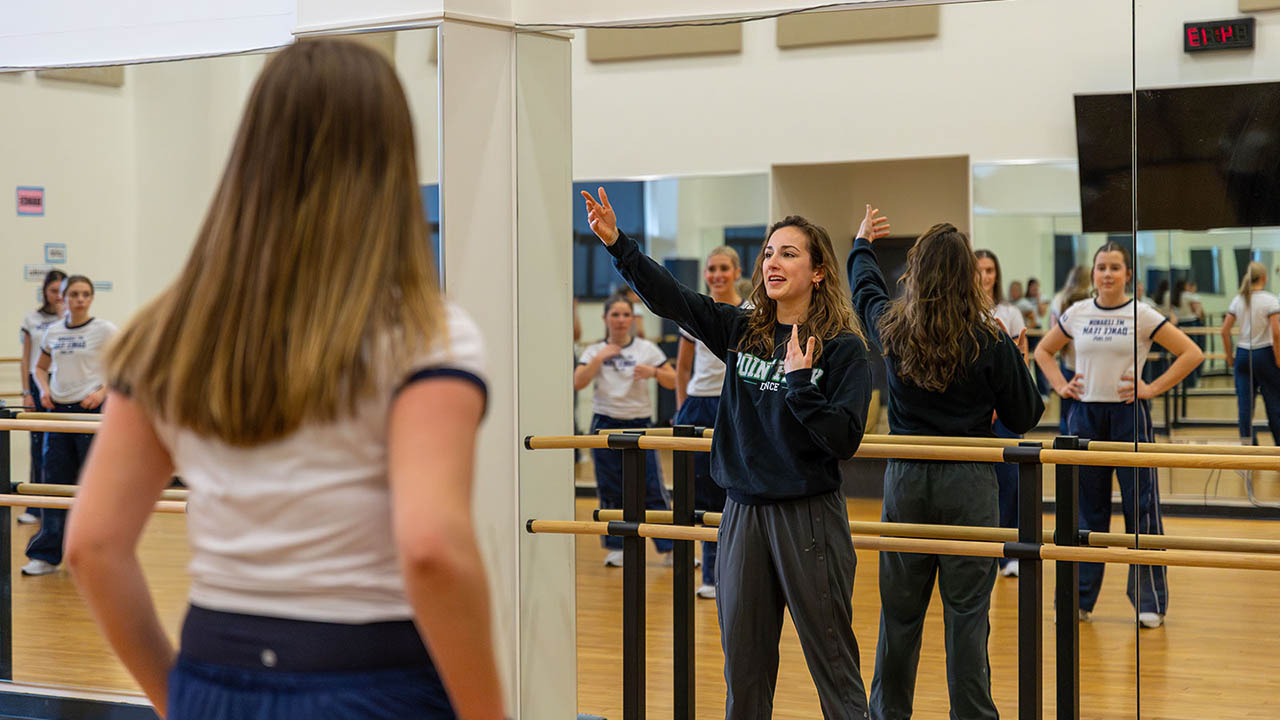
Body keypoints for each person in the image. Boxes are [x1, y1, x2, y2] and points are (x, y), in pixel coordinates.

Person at [64, 40, 504, 719]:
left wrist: (178, 697)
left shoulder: (167, 336)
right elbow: (433, 551)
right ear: (390, 164)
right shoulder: (426, 335)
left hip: (215, 674)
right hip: (372, 683)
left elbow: (92, 546)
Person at [583, 188, 875, 719]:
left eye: (789, 253)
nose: (773, 261)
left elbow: (845, 438)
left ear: (819, 273)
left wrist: (802, 383)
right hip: (741, 513)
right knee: (744, 672)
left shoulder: (843, 348)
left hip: (807, 516)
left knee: (833, 666)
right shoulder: (744, 331)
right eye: (769, 252)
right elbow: (673, 299)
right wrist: (617, 244)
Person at [851, 210, 1043, 720]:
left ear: (915, 273)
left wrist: (861, 244)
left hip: (908, 476)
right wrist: (1018, 362)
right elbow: (1025, 415)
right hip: (969, 478)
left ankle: (887, 714)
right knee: (967, 615)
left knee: (899, 616)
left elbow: (864, 290)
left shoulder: (893, 329)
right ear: (968, 276)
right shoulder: (992, 338)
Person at [1034, 241, 1203, 629]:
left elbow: (1191, 353)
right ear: (1092, 274)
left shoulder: (1141, 314)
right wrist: (1061, 385)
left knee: (1141, 509)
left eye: (1114, 267)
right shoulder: (1077, 313)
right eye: (1101, 267)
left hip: (1129, 415)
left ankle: (1150, 602)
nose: (1107, 274)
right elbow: (1043, 351)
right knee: (1084, 513)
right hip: (1085, 417)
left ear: (1128, 274)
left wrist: (1151, 387)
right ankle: (1079, 599)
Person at [574, 292, 677, 567]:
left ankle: (669, 548)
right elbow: (577, 382)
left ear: (633, 318)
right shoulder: (593, 350)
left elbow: (673, 380)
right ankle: (616, 546)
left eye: (625, 315)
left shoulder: (646, 349)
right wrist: (598, 360)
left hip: (639, 424)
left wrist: (654, 373)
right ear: (605, 318)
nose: (620, 320)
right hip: (606, 423)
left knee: (651, 487)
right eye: (615, 315)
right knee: (610, 488)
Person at [23, 274, 116, 576]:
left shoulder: (104, 330)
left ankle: (95, 555)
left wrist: (102, 392)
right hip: (58, 414)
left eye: (85, 294)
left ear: (91, 298)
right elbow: (39, 367)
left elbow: (128, 366)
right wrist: (43, 389)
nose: (79, 299)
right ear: (62, 297)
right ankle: (47, 555)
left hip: (90, 412)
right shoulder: (53, 331)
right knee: (55, 485)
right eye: (73, 294)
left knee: (91, 486)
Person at [672, 246, 746, 599]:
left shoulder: (752, 312)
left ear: (736, 272)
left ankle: (730, 573)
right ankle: (708, 571)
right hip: (698, 405)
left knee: (728, 493)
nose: (717, 275)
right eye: (711, 269)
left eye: (723, 268)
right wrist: (682, 409)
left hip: (732, 406)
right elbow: (682, 369)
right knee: (698, 494)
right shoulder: (696, 313)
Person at [974, 249, 1028, 579]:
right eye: (979, 269)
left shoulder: (1011, 313)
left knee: (1010, 481)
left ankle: (1010, 552)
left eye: (990, 269)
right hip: (977, 412)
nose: (985, 276)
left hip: (1004, 410)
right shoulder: (962, 313)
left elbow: (1018, 362)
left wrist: (999, 403)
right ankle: (984, 551)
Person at [17, 269, 67, 525]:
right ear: (45, 291)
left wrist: (63, 314)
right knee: (38, 447)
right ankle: (35, 506)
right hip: (38, 386)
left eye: (62, 291)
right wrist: (27, 392)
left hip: (64, 387)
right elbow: (27, 358)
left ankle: (60, 508)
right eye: (53, 291)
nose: (58, 296)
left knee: (60, 452)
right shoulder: (32, 318)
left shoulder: (72, 320)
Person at [1220, 262, 1280, 445]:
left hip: (1243, 355)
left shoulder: (1238, 299)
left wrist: (1230, 356)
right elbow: (1277, 333)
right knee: (1274, 405)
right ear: (1264, 277)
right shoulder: (1270, 300)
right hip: (1265, 355)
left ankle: (1248, 448)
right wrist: (1278, 358)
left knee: (1245, 406)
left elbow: (1224, 330)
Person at [1048, 266, 1092, 434]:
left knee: (1066, 415)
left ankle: (1066, 455)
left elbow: (1053, 331)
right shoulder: (1090, 300)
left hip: (1068, 363)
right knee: (1086, 416)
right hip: (1087, 366)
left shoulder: (1059, 299)